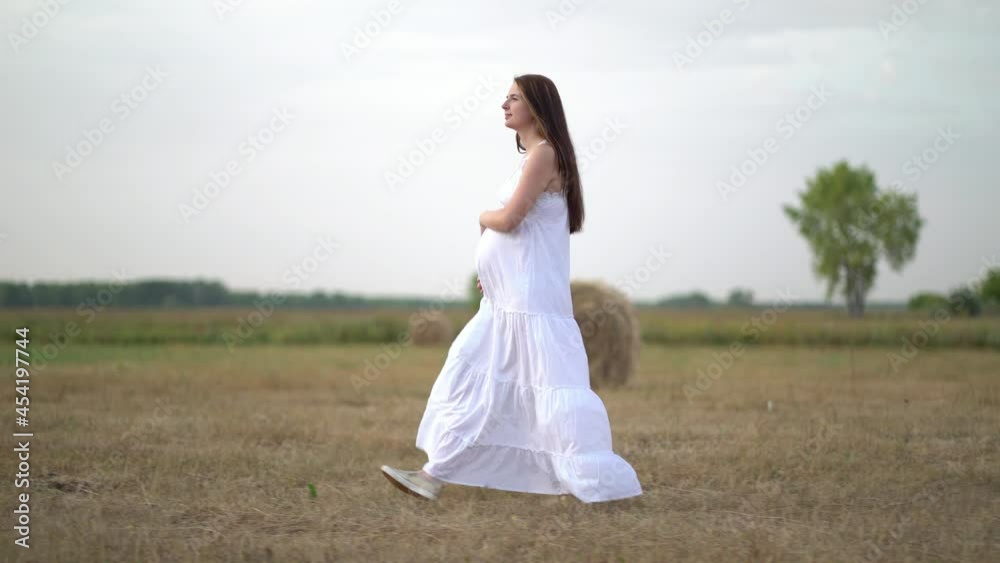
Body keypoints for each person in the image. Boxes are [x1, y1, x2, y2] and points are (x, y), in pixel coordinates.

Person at [381, 74, 642, 503]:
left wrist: (482, 218)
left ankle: (597, 481)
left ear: (537, 107)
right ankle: (433, 474)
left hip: (527, 305)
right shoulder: (536, 158)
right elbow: (521, 234)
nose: (504, 105)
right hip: (506, 301)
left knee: (535, 393)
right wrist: (494, 267)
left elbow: (511, 218)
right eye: (505, 98)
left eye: (514, 98)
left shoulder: (543, 155)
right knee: (474, 378)